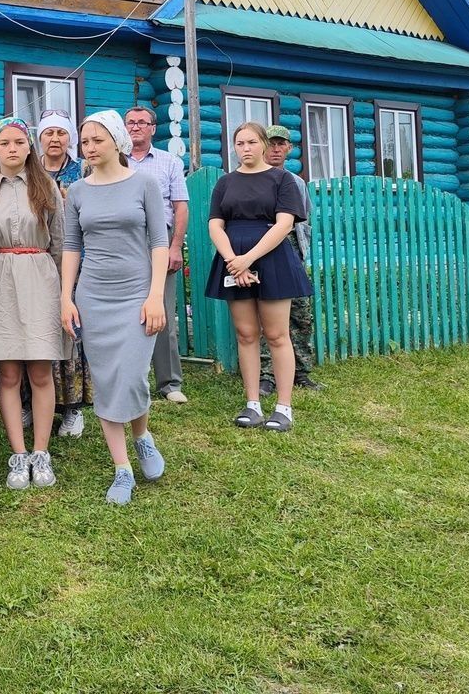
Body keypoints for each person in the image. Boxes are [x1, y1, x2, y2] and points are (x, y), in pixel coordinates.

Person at [60, 112, 168, 506]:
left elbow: (159, 240)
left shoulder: (145, 183)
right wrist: (66, 296)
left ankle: (142, 437)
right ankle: (122, 469)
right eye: (84, 141)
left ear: (117, 141)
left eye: (96, 140)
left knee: (133, 375)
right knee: (107, 380)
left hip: (138, 294)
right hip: (94, 297)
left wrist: (155, 295)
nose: (88, 148)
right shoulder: (78, 192)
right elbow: (72, 246)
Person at [204, 121, 313, 433]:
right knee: (246, 334)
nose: (245, 149)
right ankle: (253, 403)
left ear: (264, 145)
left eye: (251, 142)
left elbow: (284, 225)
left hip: (273, 258)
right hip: (233, 260)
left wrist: (248, 259)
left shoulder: (283, 181)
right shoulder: (225, 183)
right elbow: (215, 224)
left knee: (277, 335)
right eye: (240, 143)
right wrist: (232, 262)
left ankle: (283, 407)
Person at [0, 117, 65, 490]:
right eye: (4, 143)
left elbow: (61, 242)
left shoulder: (46, 187)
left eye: (19, 142)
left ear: (29, 147)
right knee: (9, 374)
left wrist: (66, 294)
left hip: (40, 276)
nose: (12, 148)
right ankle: (18, 454)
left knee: (41, 371)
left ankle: (41, 451)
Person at [124, 106, 191, 405]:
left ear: (153, 128)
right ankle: (127, 379)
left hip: (159, 240)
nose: (136, 127)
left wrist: (175, 247)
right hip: (122, 241)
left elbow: (180, 207)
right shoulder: (114, 161)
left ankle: (169, 382)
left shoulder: (169, 162)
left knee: (162, 309)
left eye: (142, 123)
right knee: (124, 311)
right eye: (130, 123)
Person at [34, 110, 90, 436]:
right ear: (39, 137)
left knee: (70, 333)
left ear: (69, 137)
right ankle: (34, 403)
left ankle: (72, 407)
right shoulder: (32, 170)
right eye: (48, 133)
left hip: (75, 262)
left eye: (61, 133)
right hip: (38, 262)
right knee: (38, 332)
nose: (55, 139)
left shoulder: (82, 171)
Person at [259, 125, 320, 394]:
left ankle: (302, 372)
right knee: (265, 315)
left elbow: (303, 220)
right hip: (261, 251)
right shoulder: (253, 179)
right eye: (270, 143)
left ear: (288, 148)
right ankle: (267, 375)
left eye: (280, 144)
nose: (275, 148)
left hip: (291, 250)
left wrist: (301, 254)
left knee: (301, 314)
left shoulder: (297, 183)